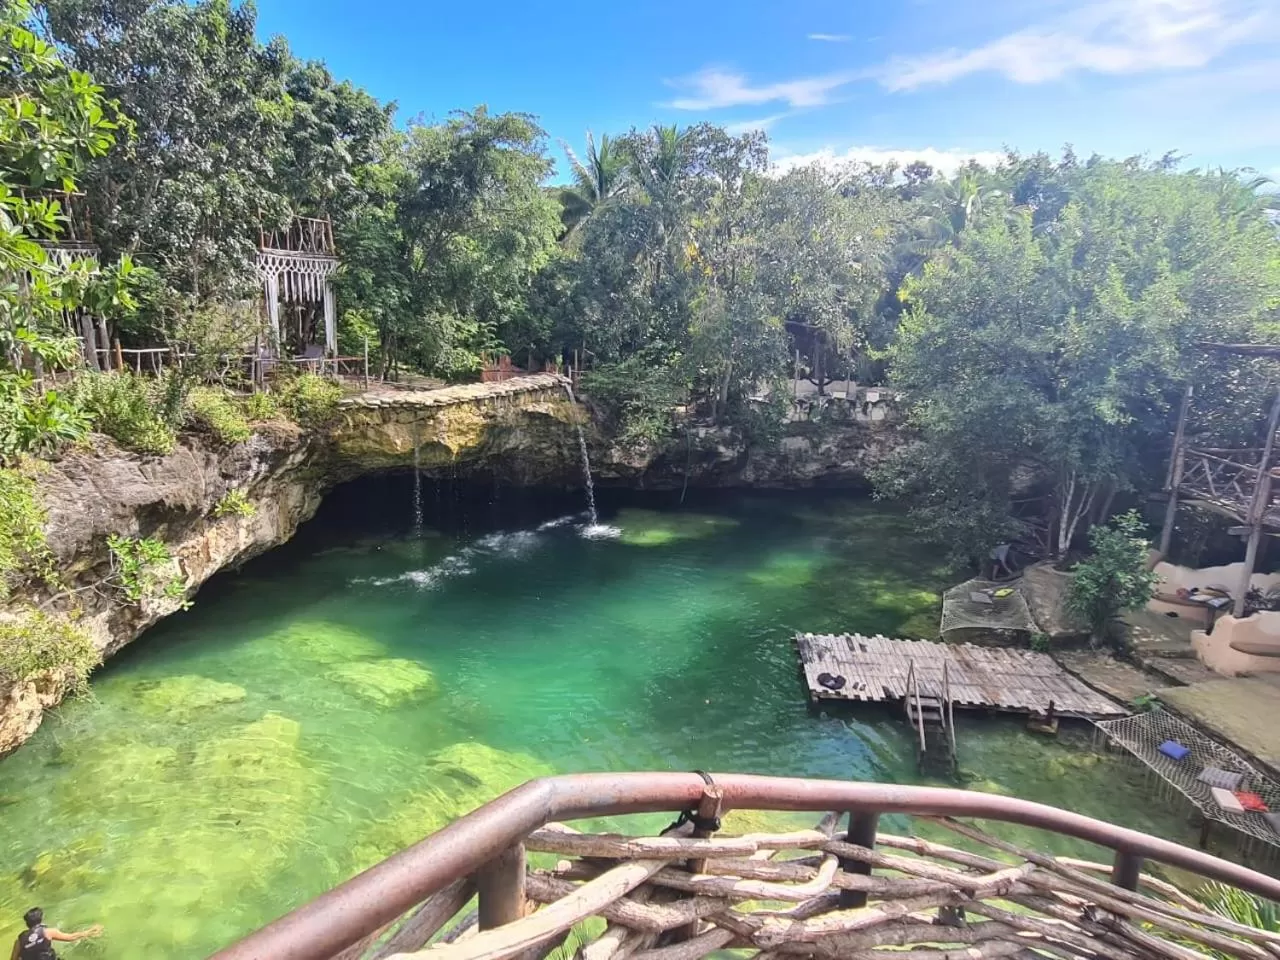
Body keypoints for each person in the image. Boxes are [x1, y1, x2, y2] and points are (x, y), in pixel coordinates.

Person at [10, 909, 101, 960]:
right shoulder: (48, 932)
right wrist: (91, 931)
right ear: (40, 920)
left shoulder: (19, 941)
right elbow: (71, 937)